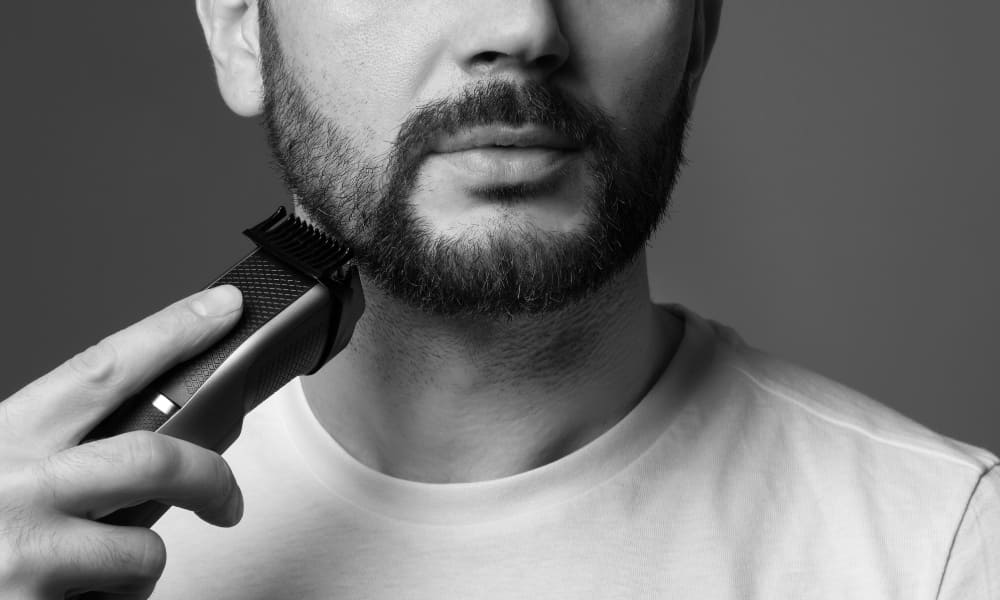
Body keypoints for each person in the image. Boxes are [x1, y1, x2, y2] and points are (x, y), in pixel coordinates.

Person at [0, 0, 996, 597]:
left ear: (700, 30)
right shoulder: (44, 549)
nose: (522, 26)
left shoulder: (945, 554)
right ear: (237, 30)